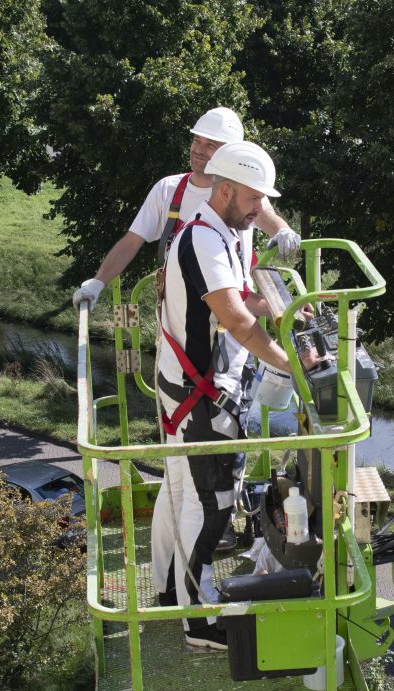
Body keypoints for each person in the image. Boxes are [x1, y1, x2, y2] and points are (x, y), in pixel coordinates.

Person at [152, 141, 303, 650]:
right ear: (226, 191)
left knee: (184, 496)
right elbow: (235, 321)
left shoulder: (224, 231)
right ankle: (199, 623)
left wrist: (279, 308)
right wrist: (290, 365)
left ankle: (172, 593)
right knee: (210, 505)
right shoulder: (202, 239)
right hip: (201, 396)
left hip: (193, 389)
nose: (261, 209)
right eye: (254, 199)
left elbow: (235, 301)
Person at [71, 107, 301, 310]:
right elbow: (131, 242)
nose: (198, 150)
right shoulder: (167, 189)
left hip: (235, 307)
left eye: (210, 145)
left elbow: (268, 216)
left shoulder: (243, 193)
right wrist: (98, 283)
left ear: (229, 154)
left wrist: (283, 230)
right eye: (197, 141)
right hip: (180, 313)